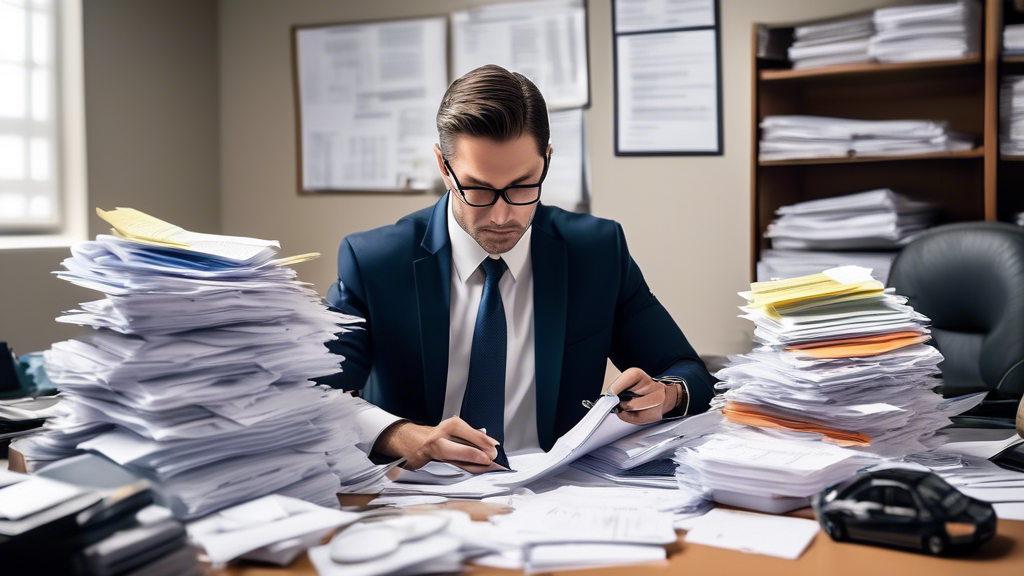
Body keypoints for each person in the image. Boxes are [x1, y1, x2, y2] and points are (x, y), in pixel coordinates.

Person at [319, 64, 714, 471]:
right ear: (443, 167)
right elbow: (314, 395)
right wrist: (400, 435)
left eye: (524, 185)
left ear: (547, 159)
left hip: (559, 489)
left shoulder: (596, 251)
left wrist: (667, 395)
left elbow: (689, 373)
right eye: (478, 189)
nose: (503, 215)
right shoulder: (374, 262)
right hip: (418, 494)